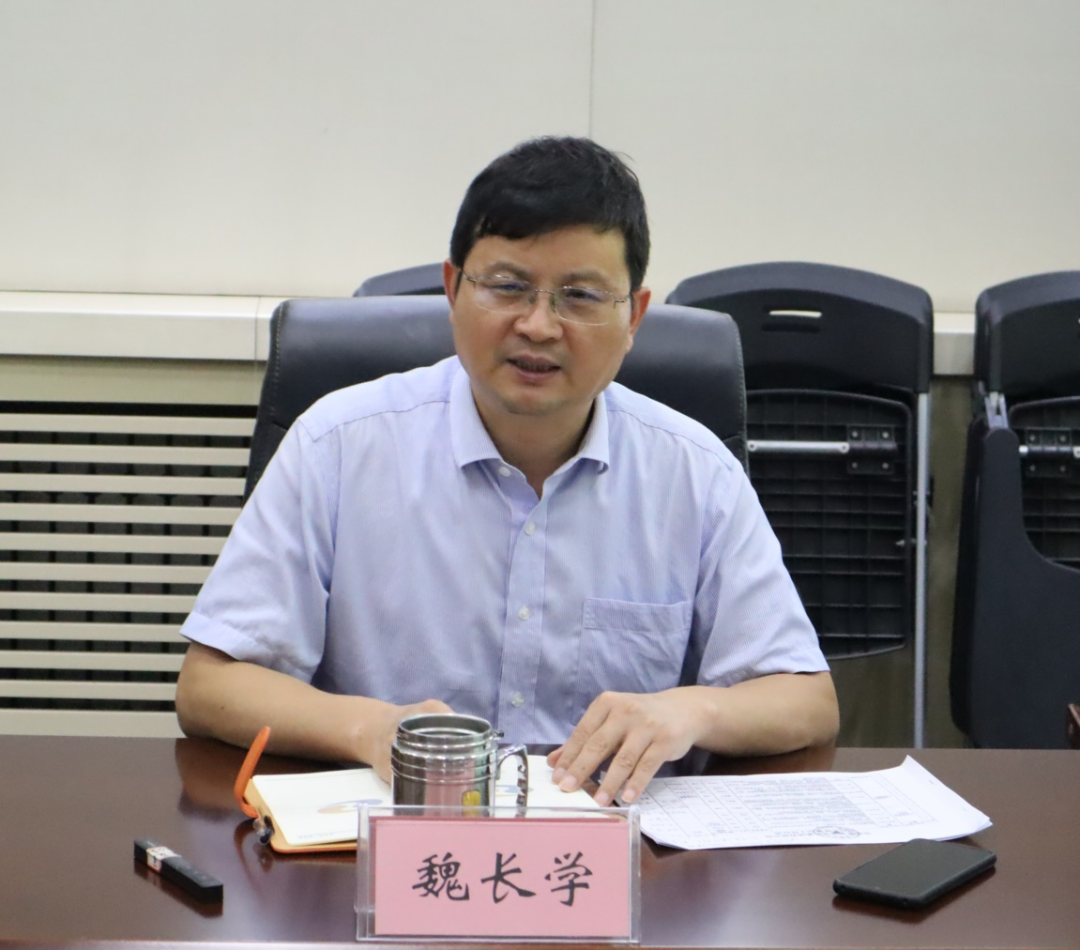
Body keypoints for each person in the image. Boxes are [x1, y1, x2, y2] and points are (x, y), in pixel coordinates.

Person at [175, 136, 838, 807]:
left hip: (621, 854)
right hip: (393, 841)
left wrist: (691, 711)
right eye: (507, 287)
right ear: (452, 288)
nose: (539, 326)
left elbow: (806, 702)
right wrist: (370, 728)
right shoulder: (338, 445)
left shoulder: (694, 472)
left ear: (633, 316)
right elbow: (211, 686)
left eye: (581, 296)